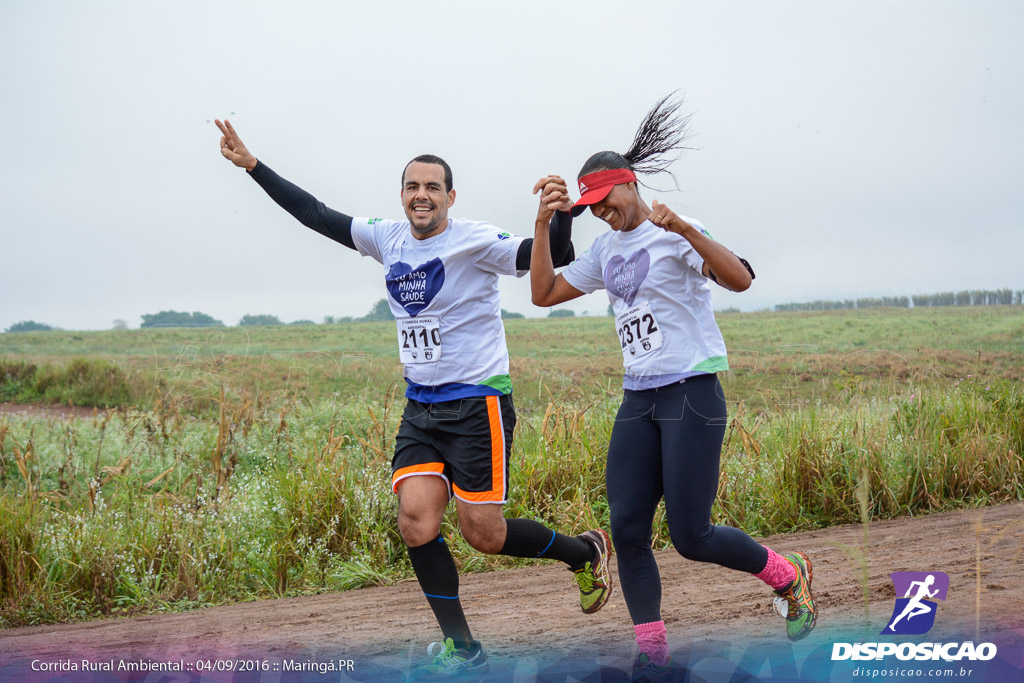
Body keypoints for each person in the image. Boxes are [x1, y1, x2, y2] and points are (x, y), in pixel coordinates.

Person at [215, 119, 613, 678]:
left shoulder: (474, 239)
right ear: (402, 196)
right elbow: (316, 214)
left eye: (432, 188)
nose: (421, 196)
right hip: (421, 407)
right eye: (412, 187)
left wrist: (559, 216)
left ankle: (583, 552)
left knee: (485, 536)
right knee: (416, 522)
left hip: (479, 405)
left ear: (451, 197)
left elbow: (546, 260)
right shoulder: (387, 237)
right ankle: (464, 648)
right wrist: (254, 167)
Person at [528, 96, 817, 681]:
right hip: (639, 399)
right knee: (628, 528)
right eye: (592, 209)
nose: (603, 215)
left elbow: (739, 279)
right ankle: (651, 653)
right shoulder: (605, 250)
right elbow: (544, 294)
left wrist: (684, 229)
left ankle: (787, 575)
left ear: (629, 185)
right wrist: (541, 224)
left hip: (692, 394)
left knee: (691, 534)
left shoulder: (675, 231)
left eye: (606, 201)